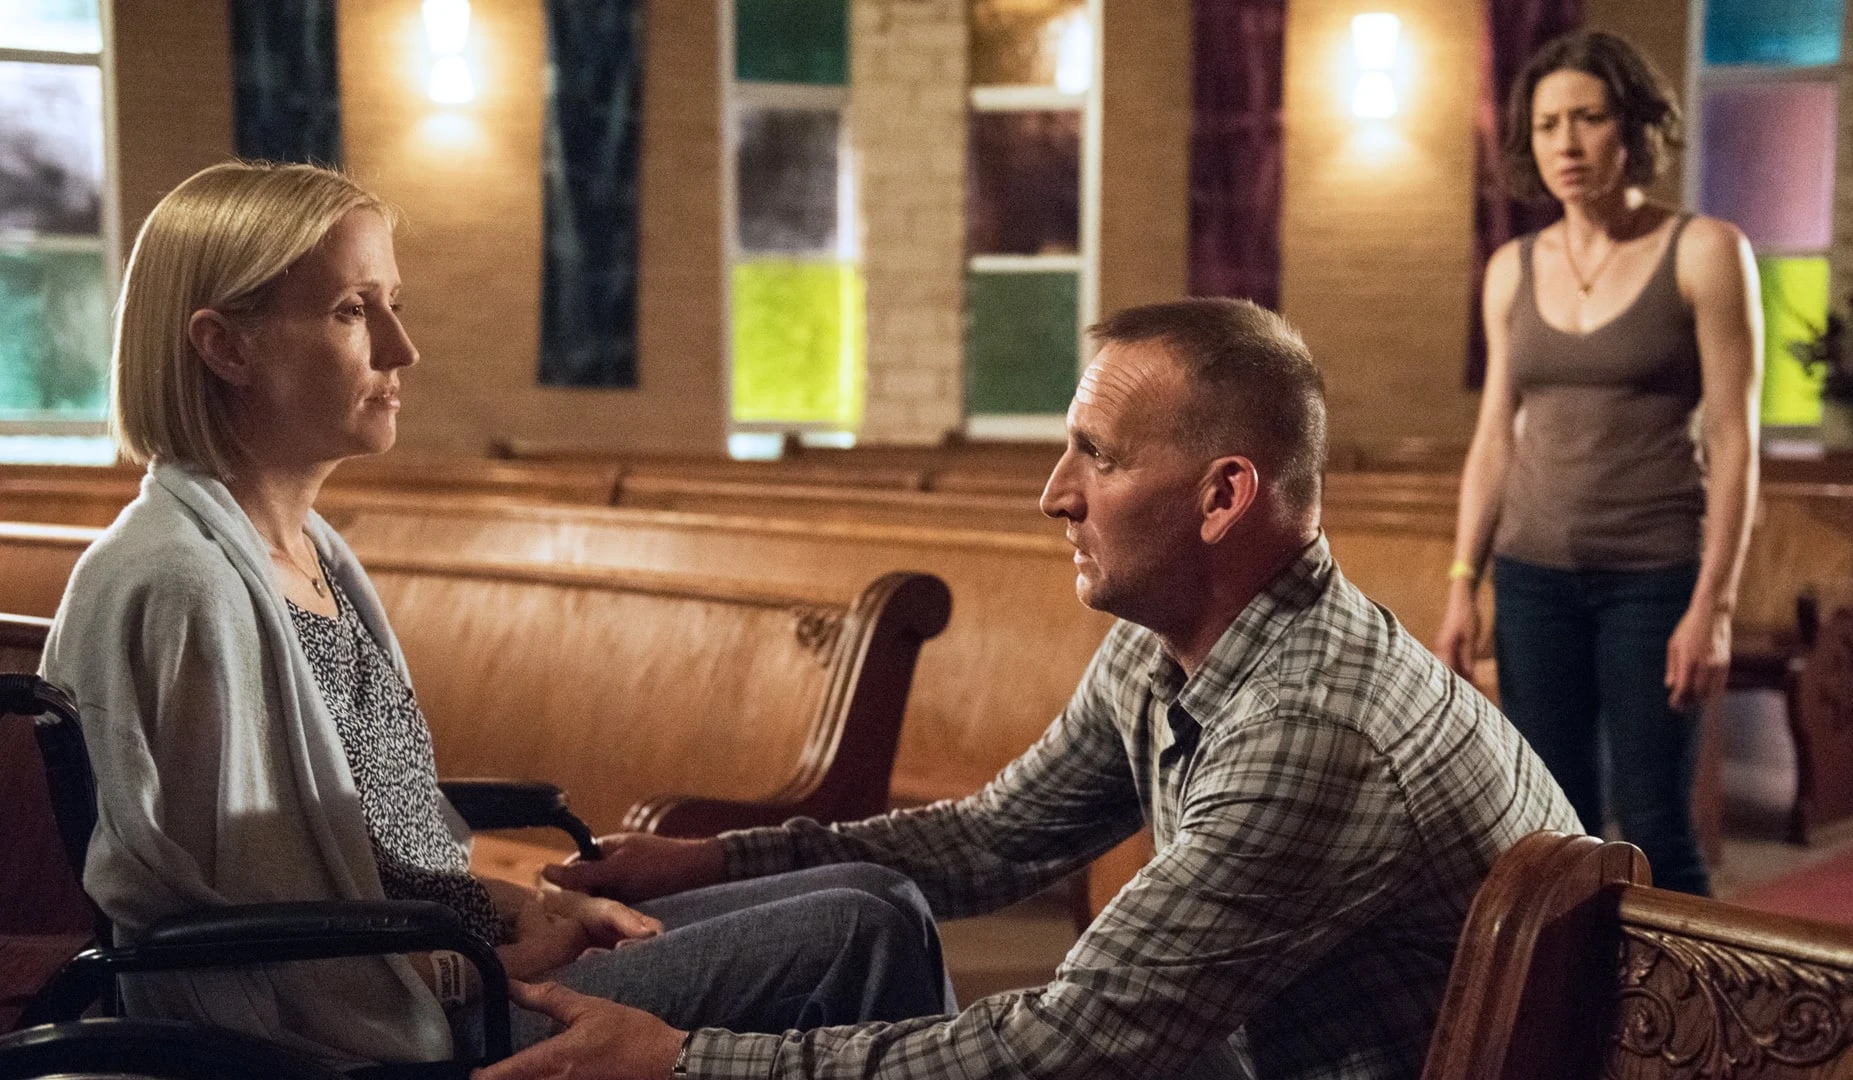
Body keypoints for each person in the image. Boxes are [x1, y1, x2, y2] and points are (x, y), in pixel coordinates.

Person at [474, 298, 1580, 1080]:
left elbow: (1068, 1047)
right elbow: (994, 840)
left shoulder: (1314, 728)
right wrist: (717, 859)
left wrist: (683, 1060)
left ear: (1223, 496)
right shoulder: (1168, 644)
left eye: (1099, 456)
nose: (1056, 495)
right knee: (862, 928)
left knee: (845, 977)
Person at [39, 162, 951, 1070]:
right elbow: (250, 945)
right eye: (353, 310)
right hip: (367, 1033)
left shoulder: (311, 552)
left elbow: (384, 849)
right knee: (858, 933)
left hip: (447, 962)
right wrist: (482, 966)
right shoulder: (179, 585)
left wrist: (528, 910)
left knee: (883, 894)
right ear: (225, 348)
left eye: (393, 304)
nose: (402, 348)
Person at [1433, 31, 1762, 896]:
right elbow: (1495, 435)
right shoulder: (1511, 268)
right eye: (1547, 126)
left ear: (1634, 126)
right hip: (1532, 578)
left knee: (1656, 824)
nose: (1567, 144)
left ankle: (1689, 985)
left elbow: (1734, 440)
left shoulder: (1705, 251)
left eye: (1588, 118)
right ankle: (1574, 988)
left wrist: (1715, 606)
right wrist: (1464, 581)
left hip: (1653, 577)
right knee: (1552, 828)